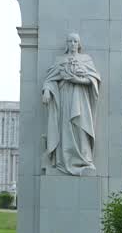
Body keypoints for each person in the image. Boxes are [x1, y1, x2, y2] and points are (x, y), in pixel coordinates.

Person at [41, 33, 102, 176]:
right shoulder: (60, 60)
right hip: (65, 99)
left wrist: (78, 80)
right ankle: (64, 159)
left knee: (81, 127)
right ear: (67, 44)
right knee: (65, 129)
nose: (73, 44)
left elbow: (93, 79)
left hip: (81, 98)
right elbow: (49, 79)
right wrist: (47, 92)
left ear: (79, 44)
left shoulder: (86, 60)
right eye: (70, 41)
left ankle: (84, 159)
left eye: (75, 41)